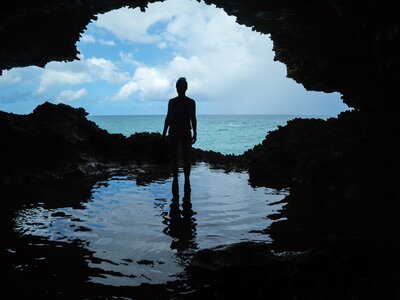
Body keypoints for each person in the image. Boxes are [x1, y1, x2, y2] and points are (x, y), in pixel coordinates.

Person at [162, 77, 197, 194]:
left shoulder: (173, 102)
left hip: (177, 132)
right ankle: (186, 181)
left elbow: (168, 118)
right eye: (179, 86)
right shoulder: (190, 102)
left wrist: (163, 133)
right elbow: (193, 119)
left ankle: (177, 179)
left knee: (176, 159)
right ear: (185, 88)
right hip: (184, 132)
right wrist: (195, 132)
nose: (179, 88)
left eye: (179, 86)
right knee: (185, 159)